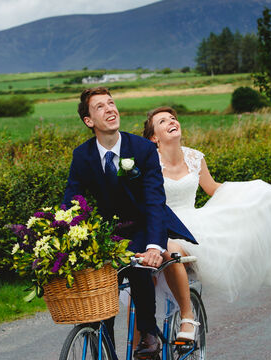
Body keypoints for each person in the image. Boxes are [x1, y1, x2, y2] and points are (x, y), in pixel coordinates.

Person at [143, 106, 271, 342]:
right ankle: (143, 342)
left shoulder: (195, 157)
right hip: (161, 223)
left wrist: (252, 193)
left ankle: (187, 317)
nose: (172, 121)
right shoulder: (148, 161)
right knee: (143, 285)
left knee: (171, 250)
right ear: (154, 136)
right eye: (163, 121)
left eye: (173, 118)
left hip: (192, 224)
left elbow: (212, 188)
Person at [63, 88, 196, 358]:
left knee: (137, 264)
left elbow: (155, 201)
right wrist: (65, 238)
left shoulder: (143, 149)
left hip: (141, 225)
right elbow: (72, 202)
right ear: (89, 121)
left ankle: (149, 334)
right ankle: (103, 344)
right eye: (100, 107)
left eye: (111, 103)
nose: (110, 109)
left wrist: (154, 247)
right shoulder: (82, 155)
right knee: (98, 295)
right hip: (105, 233)